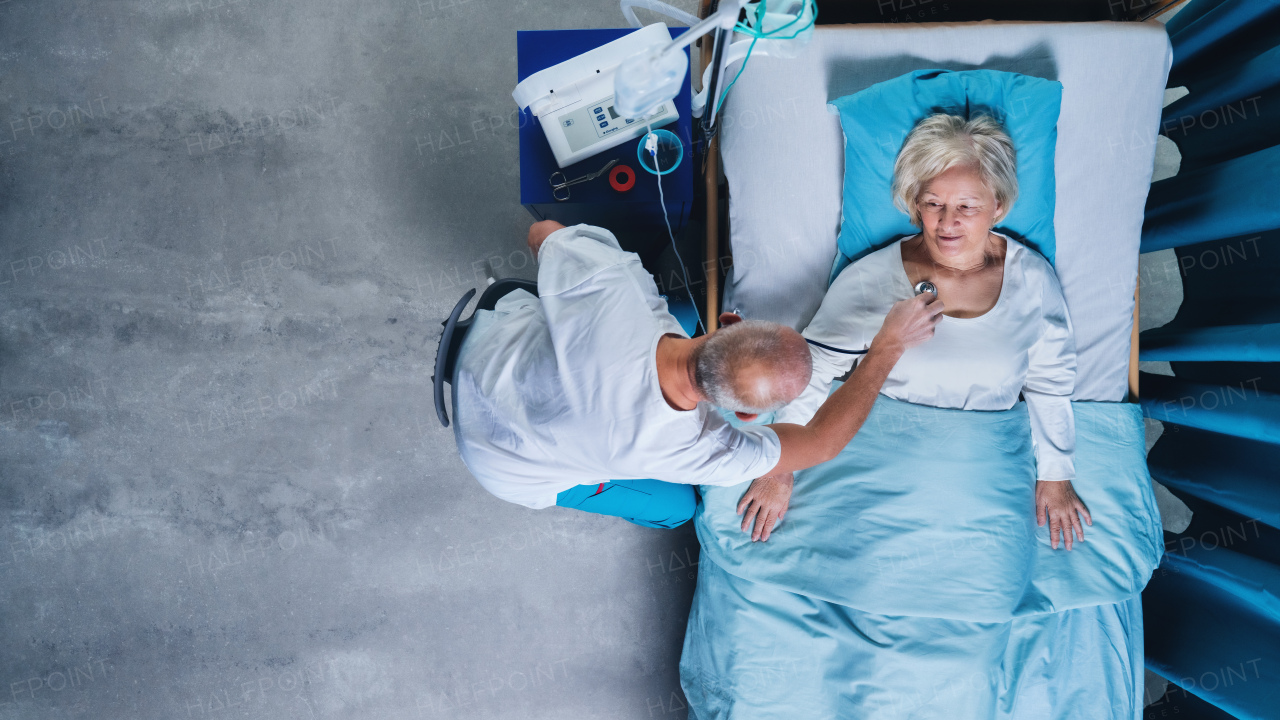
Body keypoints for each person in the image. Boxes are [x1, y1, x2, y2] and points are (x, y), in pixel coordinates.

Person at [738, 113, 1092, 549]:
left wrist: (1055, 474)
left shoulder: (1033, 281)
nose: (947, 223)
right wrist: (779, 468)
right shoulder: (870, 280)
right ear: (914, 203)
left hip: (983, 462)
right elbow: (813, 369)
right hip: (887, 457)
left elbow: (1050, 382)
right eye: (932, 203)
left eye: (967, 206)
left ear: (998, 206)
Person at [450, 219, 941, 529]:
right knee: (680, 511)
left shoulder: (621, 285)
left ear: (729, 321)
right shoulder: (706, 455)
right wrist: (886, 350)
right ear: (747, 413)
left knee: (681, 300)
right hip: (500, 460)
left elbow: (543, 234)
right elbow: (821, 443)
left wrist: (889, 343)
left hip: (488, 350)